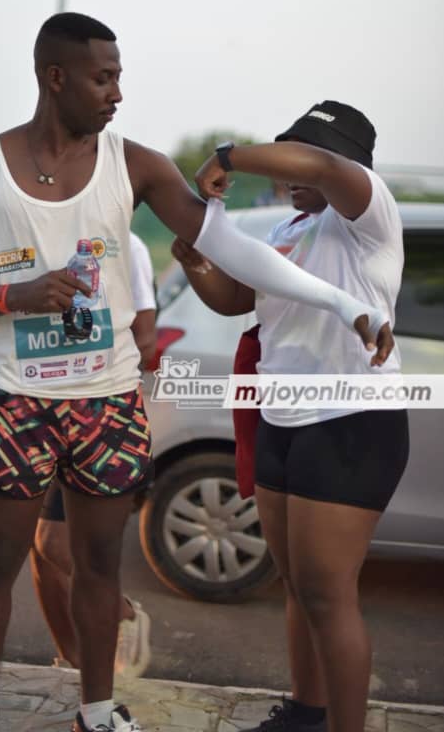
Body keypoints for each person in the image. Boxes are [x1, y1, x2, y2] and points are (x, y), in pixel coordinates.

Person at [0, 15, 392, 732]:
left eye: (119, 75)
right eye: (102, 77)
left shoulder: (137, 164)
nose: (117, 92)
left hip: (109, 400)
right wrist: (14, 294)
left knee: (101, 565)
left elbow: (227, 245)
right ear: (55, 77)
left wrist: (344, 305)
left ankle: (98, 710)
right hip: (17, 397)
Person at [172, 101, 406, 732]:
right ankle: (305, 714)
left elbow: (320, 164)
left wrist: (226, 156)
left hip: (352, 418)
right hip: (280, 416)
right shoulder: (287, 231)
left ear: (348, 166)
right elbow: (238, 301)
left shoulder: (368, 214)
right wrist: (196, 263)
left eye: (300, 157)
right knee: (298, 586)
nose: (290, 173)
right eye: (285, 154)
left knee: (330, 595)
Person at [30, 231, 156, 679]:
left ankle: (122, 614)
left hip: (95, 413)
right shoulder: (39, 233)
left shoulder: (128, 246)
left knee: (55, 543)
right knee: (39, 545)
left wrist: (85, 364)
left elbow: (146, 340)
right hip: (32, 405)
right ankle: (69, 659)